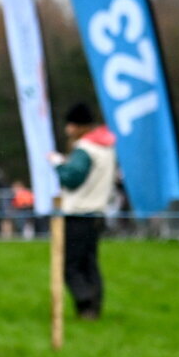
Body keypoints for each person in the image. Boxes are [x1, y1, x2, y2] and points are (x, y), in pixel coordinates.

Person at [50, 103, 116, 319]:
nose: (68, 129)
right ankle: (92, 310)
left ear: (80, 126)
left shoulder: (85, 149)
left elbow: (72, 178)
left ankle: (84, 299)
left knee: (68, 264)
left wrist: (59, 164)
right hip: (97, 213)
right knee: (90, 264)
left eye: (71, 125)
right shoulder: (107, 147)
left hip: (78, 214)